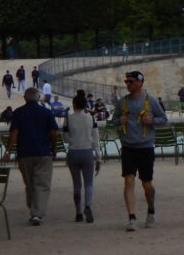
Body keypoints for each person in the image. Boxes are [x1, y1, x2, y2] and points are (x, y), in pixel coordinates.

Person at [111, 70, 168, 231]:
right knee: (128, 180)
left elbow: (163, 119)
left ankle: (151, 209)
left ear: (140, 83)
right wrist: (118, 121)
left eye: (130, 82)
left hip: (145, 147)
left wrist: (151, 121)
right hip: (128, 147)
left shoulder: (151, 101)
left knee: (147, 184)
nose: (127, 84)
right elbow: (113, 120)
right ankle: (132, 217)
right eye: (126, 82)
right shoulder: (123, 102)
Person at [2, 87, 59, 225]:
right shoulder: (46, 112)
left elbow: (14, 133)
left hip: (24, 153)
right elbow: (53, 133)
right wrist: (54, 148)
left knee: (30, 184)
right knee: (42, 184)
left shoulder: (18, 113)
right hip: (42, 151)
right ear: (39, 97)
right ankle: (37, 213)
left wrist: (8, 151)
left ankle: (34, 210)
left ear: (25, 98)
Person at [64, 91, 101, 223]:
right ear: (85, 105)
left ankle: (78, 213)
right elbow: (96, 139)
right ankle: (88, 206)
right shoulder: (91, 118)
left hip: (73, 151)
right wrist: (98, 157)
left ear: (74, 105)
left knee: (76, 184)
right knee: (89, 183)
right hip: (87, 151)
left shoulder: (68, 118)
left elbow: (66, 137)